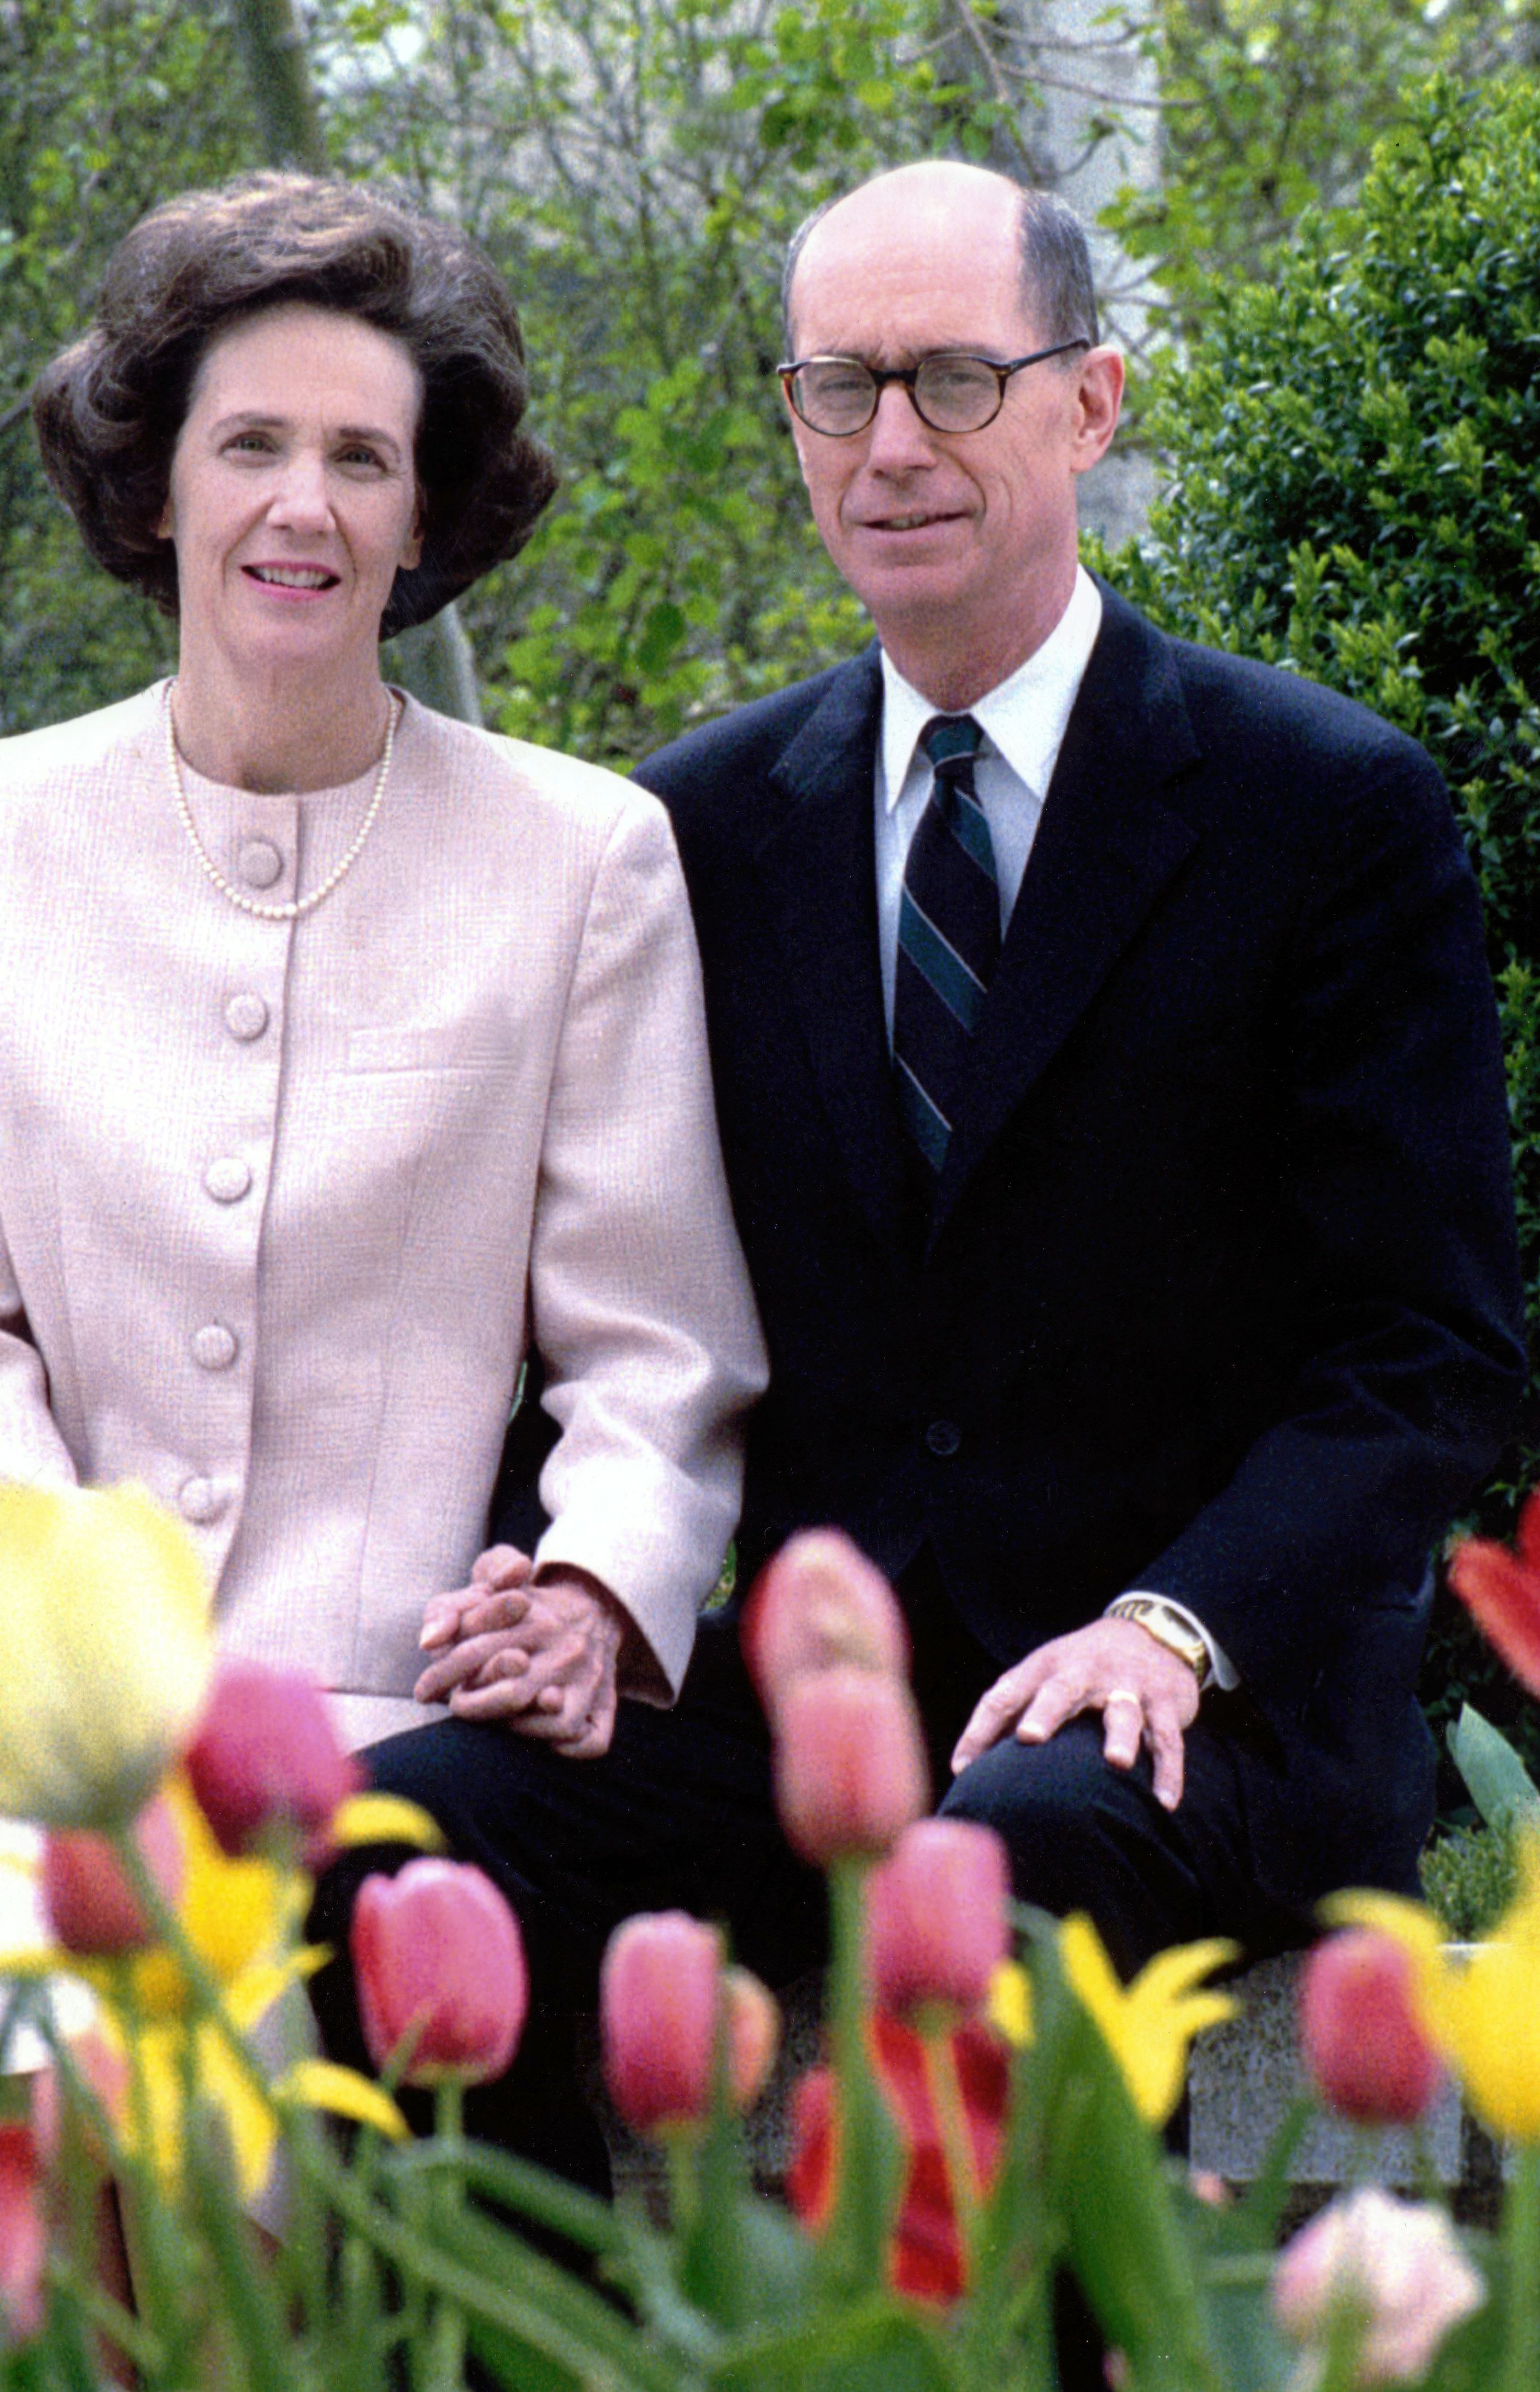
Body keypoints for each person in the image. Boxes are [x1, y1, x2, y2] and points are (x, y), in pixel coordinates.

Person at [349, 158, 1524, 2165]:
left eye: (954, 381)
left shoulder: (1320, 810)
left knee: (1001, 1870)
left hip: (1195, 1722)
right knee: (411, 1843)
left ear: (1091, 400)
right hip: (821, 1697)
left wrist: (1174, 1623)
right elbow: (623, 1301)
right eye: (838, 387)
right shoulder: (698, 828)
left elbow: (1431, 1355)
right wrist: (581, 1589)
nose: (889, 445)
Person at [0, 171, 766, 2127]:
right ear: (155, 483)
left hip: (385, 1726)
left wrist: (597, 1591)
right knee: (46, 2015)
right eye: (250, 444)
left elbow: (658, 1348)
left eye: (362, 457)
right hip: (7, 1721)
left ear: (426, 516)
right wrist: (70, 1676)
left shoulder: (582, 860)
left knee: (231, 1988)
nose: (303, 506)